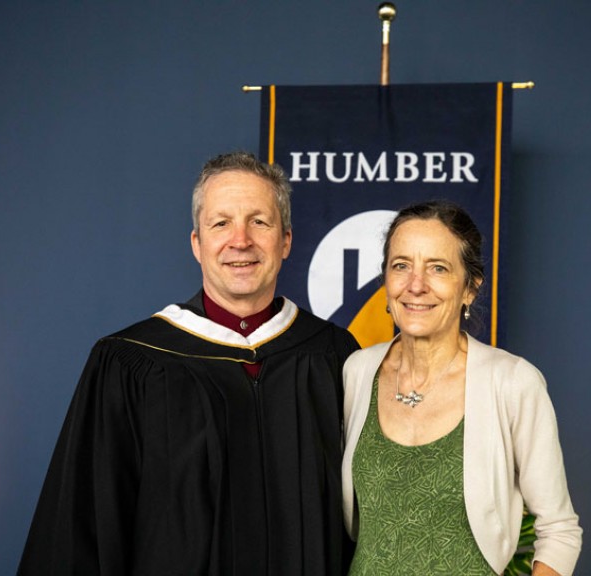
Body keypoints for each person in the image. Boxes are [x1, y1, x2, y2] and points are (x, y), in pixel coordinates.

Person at [18, 152, 360, 576]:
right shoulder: (132, 363)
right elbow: (81, 527)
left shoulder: (333, 356)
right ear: (197, 243)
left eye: (259, 222)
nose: (241, 240)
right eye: (221, 223)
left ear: (286, 240)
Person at [341, 200, 582, 575]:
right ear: (386, 281)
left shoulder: (513, 382)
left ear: (470, 288)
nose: (416, 285)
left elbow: (559, 530)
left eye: (438, 268)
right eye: (401, 265)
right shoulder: (358, 372)